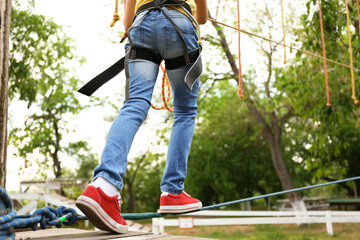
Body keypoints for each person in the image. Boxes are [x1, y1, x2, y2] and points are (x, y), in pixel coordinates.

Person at [76, 0, 208, 234]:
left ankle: (104, 186)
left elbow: (127, 22)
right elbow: (202, 17)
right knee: (185, 110)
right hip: (179, 22)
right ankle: (173, 192)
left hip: (142, 25)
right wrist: (198, 14)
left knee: (134, 104)